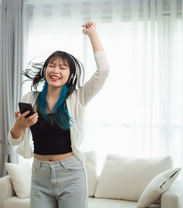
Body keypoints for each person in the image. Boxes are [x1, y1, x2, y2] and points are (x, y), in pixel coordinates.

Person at [8, 21, 109, 208]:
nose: (56, 71)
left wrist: (92, 34)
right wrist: (19, 126)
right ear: (45, 70)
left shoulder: (77, 98)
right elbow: (14, 140)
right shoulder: (30, 98)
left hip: (71, 174)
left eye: (63, 68)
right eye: (52, 66)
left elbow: (103, 71)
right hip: (39, 175)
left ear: (69, 74)